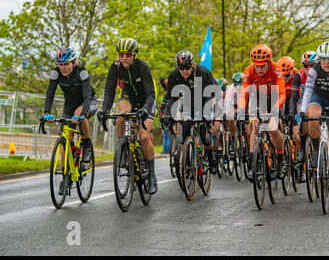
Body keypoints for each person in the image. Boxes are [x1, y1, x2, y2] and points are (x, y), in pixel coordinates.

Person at [97, 38, 158, 194]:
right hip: (128, 96)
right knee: (120, 116)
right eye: (121, 54)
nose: (124, 58)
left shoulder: (142, 67)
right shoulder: (115, 67)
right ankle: (123, 149)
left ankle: (151, 175)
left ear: (134, 54)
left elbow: (151, 94)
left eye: (128, 54)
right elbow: (109, 92)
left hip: (146, 100)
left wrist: (144, 109)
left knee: (144, 137)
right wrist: (104, 110)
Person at [299, 41, 329, 200]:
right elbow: (307, 92)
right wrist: (302, 110)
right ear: (319, 59)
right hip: (318, 98)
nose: (326, 62)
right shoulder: (314, 70)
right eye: (323, 59)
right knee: (312, 116)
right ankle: (315, 149)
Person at [164, 50, 219, 174]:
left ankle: (211, 157)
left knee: (204, 136)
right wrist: (168, 114)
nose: (184, 71)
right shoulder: (174, 76)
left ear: (192, 64)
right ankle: (188, 162)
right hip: (187, 105)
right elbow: (171, 98)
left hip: (204, 101)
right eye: (181, 68)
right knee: (184, 133)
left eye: (187, 68)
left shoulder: (202, 72)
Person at [238, 44, 287, 180]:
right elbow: (244, 94)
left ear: (269, 62)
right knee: (255, 126)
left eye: (262, 66)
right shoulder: (249, 70)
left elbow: (282, 93)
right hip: (258, 97)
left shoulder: (276, 69)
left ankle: (281, 158)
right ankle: (253, 164)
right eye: (257, 65)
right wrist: (242, 109)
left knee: (272, 127)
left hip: (275, 98)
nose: (259, 69)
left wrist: (275, 109)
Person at [43, 48, 97, 165]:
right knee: (66, 139)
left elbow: (87, 97)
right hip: (69, 106)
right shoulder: (56, 73)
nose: (63, 67)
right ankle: (65, 176)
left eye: (66, 64)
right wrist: (46, 113)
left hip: (88, 101)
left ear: (74, 63)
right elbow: (50, 94)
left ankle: (86, 144)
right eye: (61, 64)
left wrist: (83, 115)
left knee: (79, 113)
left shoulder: (82, 73)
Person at [289, 50, 319, 183]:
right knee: (301, 121)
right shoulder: (299, 76)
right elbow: (294, 97)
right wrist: (292, 112)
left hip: (319, 101)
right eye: (305, 65)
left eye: (312, 65)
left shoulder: (322, 75)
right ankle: (302, 152)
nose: (308, 68)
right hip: (303, 101)